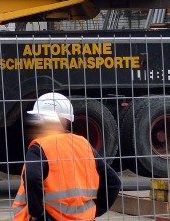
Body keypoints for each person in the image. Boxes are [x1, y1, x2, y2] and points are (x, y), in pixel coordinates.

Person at [12, 93, 122, 221]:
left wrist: (37, 213)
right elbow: (113, 182)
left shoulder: (40, 147)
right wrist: (95, 210)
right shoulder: (84, 145)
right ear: (67, 121)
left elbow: (31, 177)